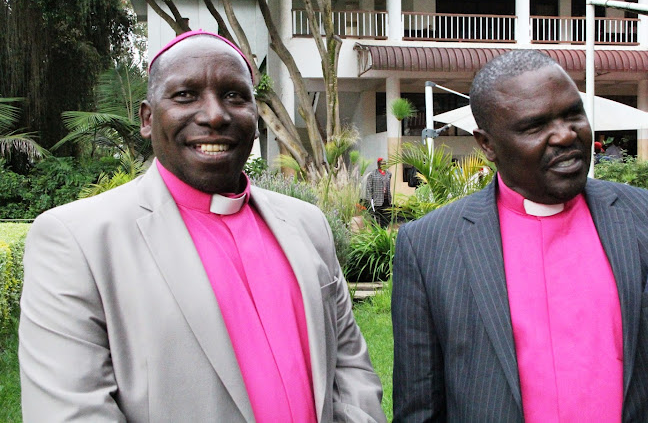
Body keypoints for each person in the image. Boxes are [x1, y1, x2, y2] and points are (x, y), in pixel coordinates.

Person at [19, 31, 386, 422]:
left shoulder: (308, 224)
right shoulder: (78, 240)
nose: (214, 115)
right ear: (147, 118)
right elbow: (72, 411)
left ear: (255, 116)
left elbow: (350, 364)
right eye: (185, 95)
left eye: (234, 96)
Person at [392, 49, 648, 422]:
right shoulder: (429, 247)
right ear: (487, 144)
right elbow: (419, 411)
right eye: (535, 126)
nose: (565, 136)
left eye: (573, 114)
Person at [365, 158, 392, 226]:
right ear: (378, 164)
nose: (383, 165)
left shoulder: (389, 174)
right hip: (377, 200)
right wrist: (369, 200)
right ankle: (376, 232)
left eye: (384, 164)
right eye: (382, 164)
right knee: (376, 219)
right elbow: (368, 188)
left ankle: (384, 231)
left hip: (386, 200)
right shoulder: (372, 174)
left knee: (386, 219)